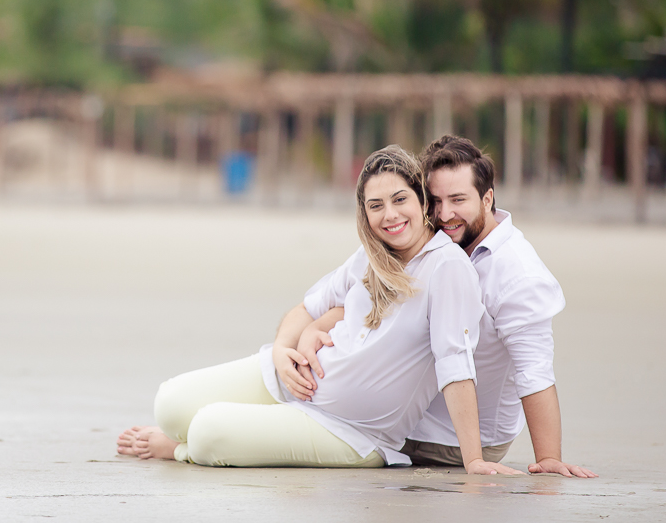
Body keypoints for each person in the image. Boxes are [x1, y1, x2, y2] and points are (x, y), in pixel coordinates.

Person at [116, 145, 523, 474]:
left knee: (206, 432)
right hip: (298, 380)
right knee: (169, 403)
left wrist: (474, 461)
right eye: (375, 205)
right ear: (363, 212)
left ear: (421, 201)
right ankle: (206, 428)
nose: (390, 215)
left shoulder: (446, 268)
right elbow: (305, 309)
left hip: (349, 431)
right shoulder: (369, 257)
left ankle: (180, 449)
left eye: (400, 199)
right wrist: (281, 351)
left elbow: (455, 365)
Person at [297, 136, 596, 478]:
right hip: (411, 414)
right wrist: (310, 331)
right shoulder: (428, 245)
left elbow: (534, 371)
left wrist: (548, 457)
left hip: (448, 438)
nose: (444, 214)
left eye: (458, 200)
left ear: (488, 198)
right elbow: (357, 302)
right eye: (435, 200)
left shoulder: (517, 274)